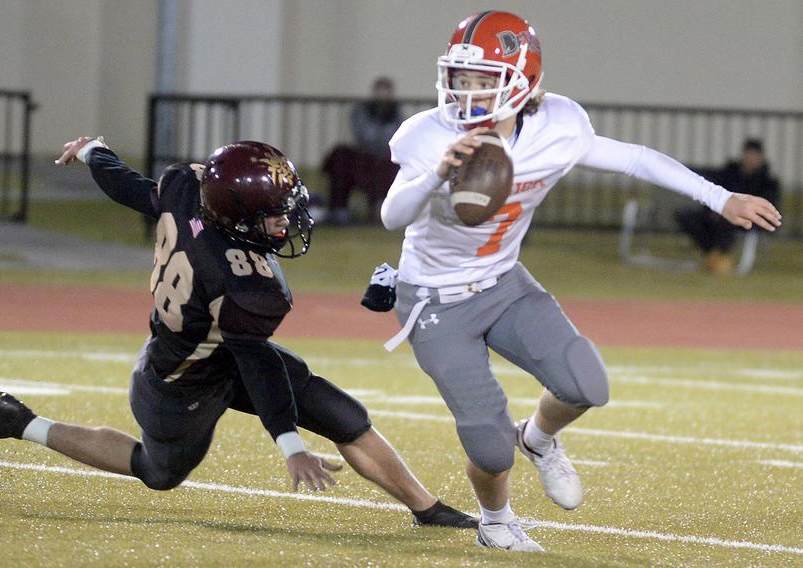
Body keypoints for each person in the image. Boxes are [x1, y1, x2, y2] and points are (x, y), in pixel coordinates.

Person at [372, 11, 781, 553]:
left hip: (502, 282)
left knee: (587, 383)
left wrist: (721, 198)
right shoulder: (428, 136)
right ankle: (496, 523)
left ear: (523, 83)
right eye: (461, 79)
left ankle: (538, 439)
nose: (466, 93)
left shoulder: (558, 126)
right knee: (490, 448)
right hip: (434, 299)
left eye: (483, 81)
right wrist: (435, 174)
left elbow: (636, 159)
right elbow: (392, 217)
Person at [0, 137, 476, 530]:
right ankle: (22, 422)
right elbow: (258, 366)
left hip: (223, 346)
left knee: (344, 416)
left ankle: (427, 508)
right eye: (274, 215)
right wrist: (289, 444)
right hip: (178, 380)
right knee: (158, 472)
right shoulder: (245, 285)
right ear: (236, 217)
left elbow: (134, 190)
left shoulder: (190, 190)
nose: (286, 222)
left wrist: (96, 151)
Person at [675, 138, 781, 274]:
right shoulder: (730, 173)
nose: (750, 159)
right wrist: (713, 209)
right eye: (748, 154)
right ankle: (714, 254)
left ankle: (720, 255)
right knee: (687, 216)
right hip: (721, 213)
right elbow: (714, 191)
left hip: (747, 219)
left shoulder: (768, 181)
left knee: (729, 219)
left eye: (754, 155)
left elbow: (770, 206)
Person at [322, 77, 403, 224]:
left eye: (386, 91)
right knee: (341, 160)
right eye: (380, 90)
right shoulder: (362, 110)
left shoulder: (395, 112)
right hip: (365, 156)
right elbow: (363, 135)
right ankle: (339, 211)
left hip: (385, 157)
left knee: (392, 168)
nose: (383, 95)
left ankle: (385, 210)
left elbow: (396, 135)